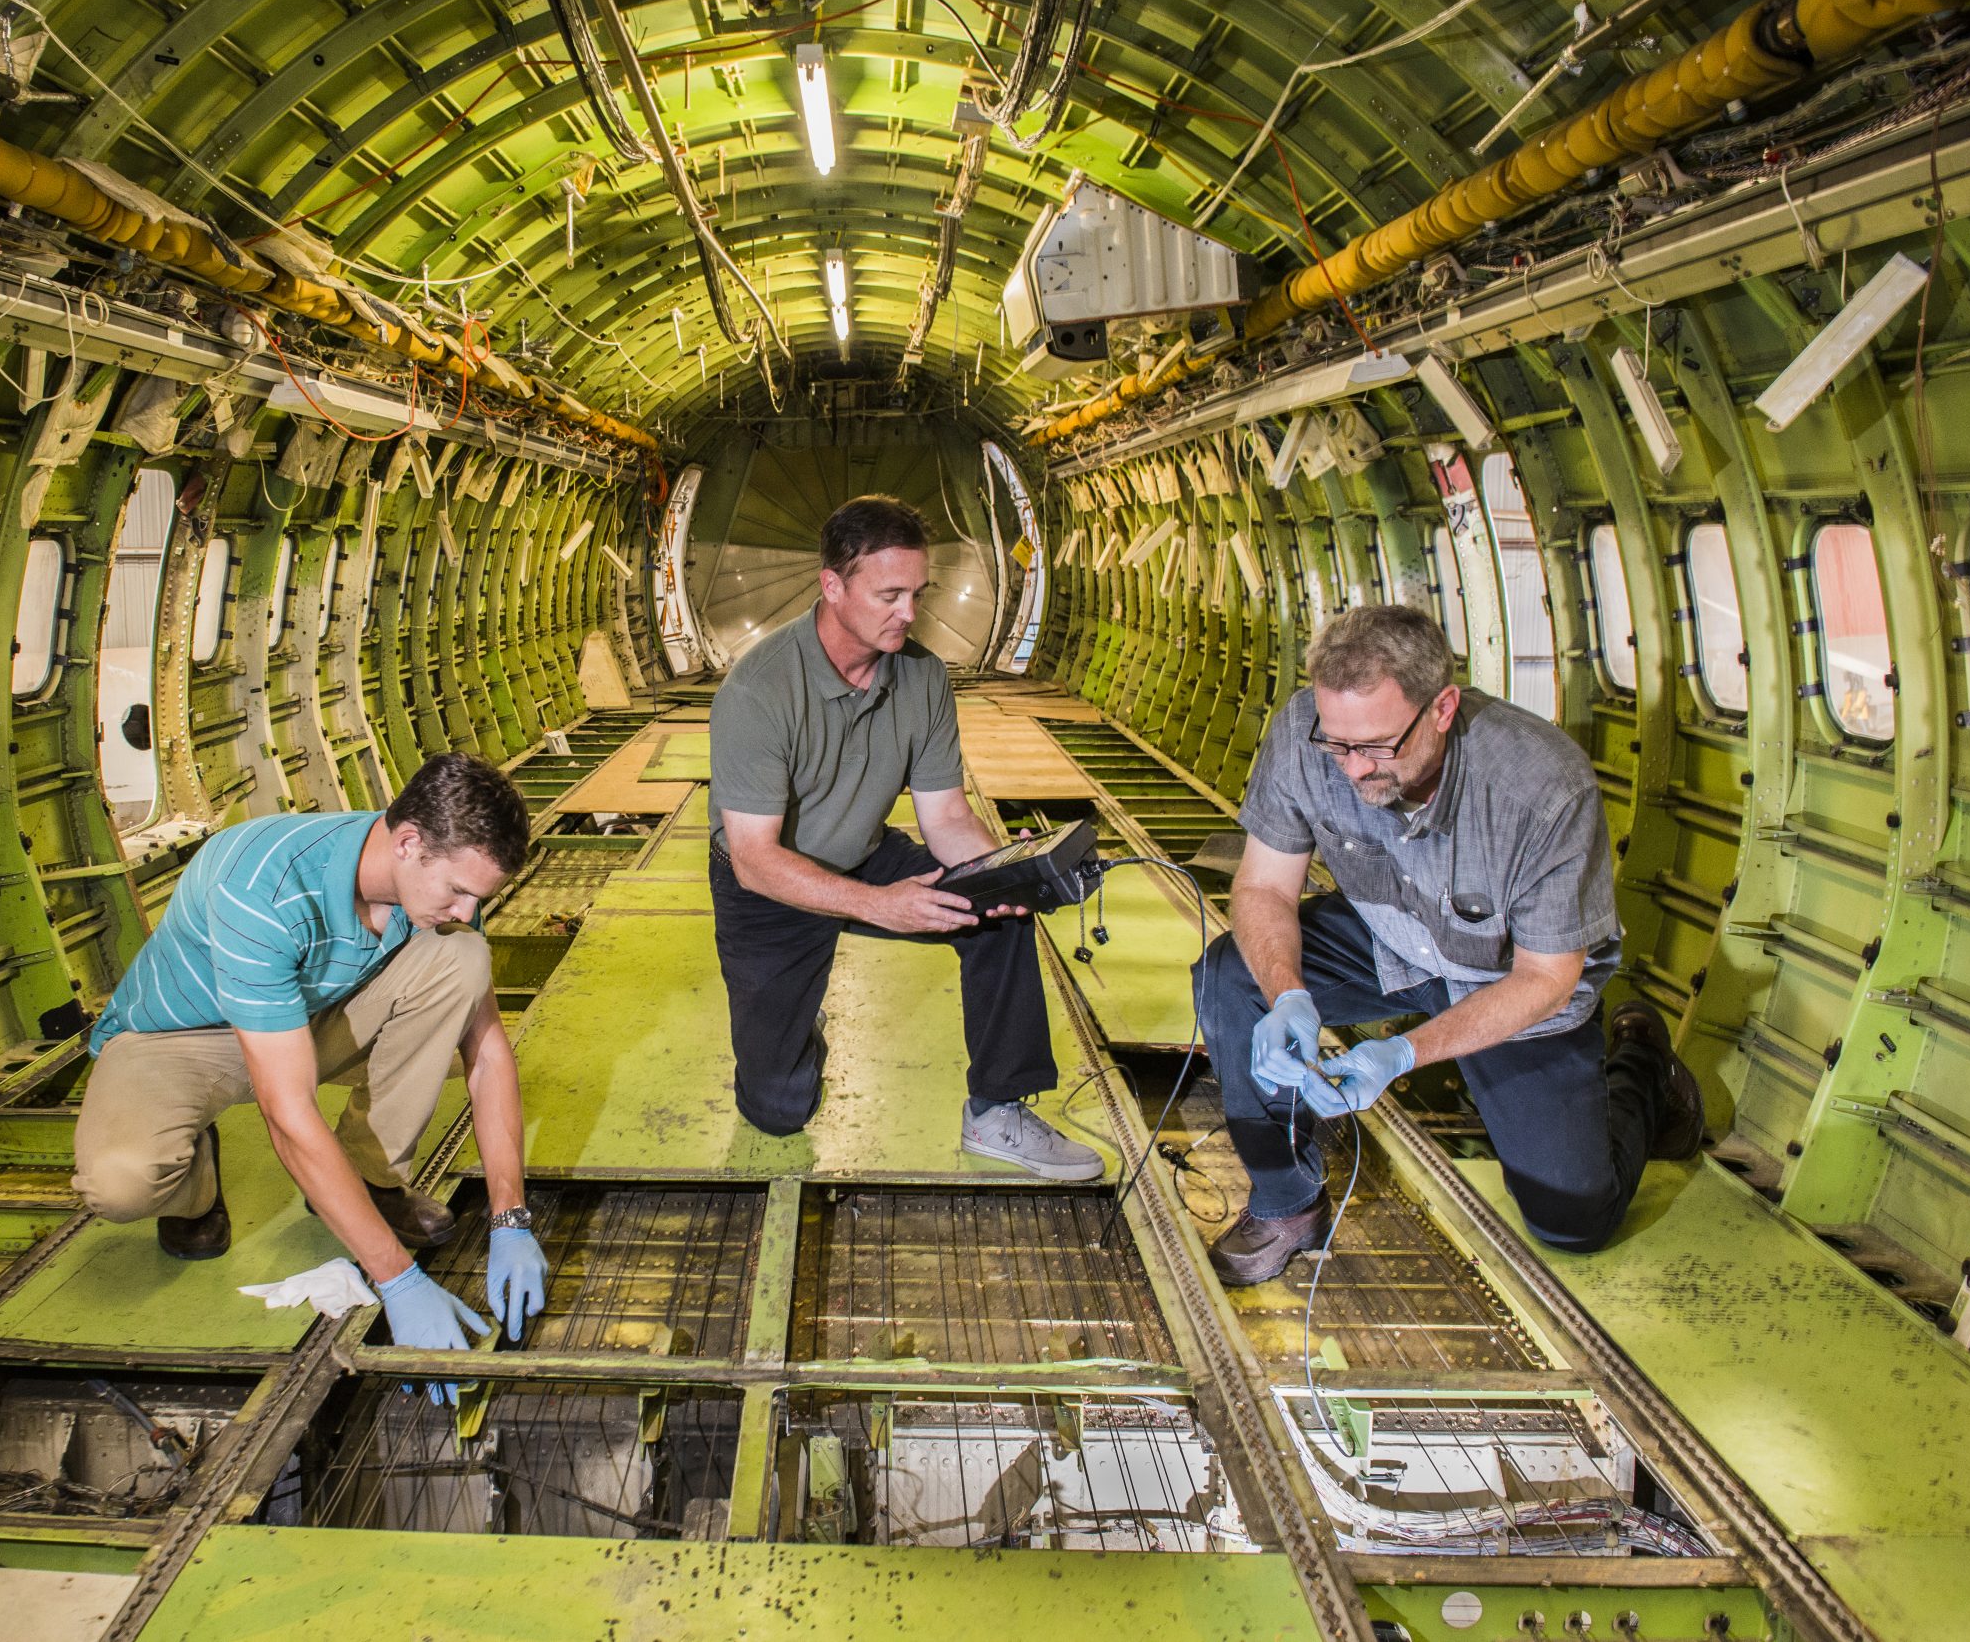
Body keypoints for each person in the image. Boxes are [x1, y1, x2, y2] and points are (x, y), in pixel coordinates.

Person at [1194, 604, 1702, 1285]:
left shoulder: (1541, 789)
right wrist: (1288, 993)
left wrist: (1404, 1052)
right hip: (1395, 938)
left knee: (1574, 1220)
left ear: (1442, 708)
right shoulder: (1304, 732)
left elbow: (1547, 978)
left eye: (1376, 746)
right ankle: (1287, 1203)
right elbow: (1262, 889)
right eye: (1336, 744)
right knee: (1232, 974)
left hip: (1509, 978)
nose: (1351, 767)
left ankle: (1644, 1063)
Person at [71, 752, 550, 1362]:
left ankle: (368, 1178)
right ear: (407, 842)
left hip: (306, 1016)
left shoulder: (436, 880)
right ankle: (195, 1186)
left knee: (461, 960)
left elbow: (487, 1058)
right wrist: (399, 1279)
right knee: (121, 1184)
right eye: (458, 891)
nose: (464, 910)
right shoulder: (259, 887)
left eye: (474, 895)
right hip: (182, 1038)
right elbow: (288, 1115)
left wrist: (511, 1220)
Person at [707, 494, 1101, 1179]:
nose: (909, 613)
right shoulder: (759, 690)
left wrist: (1007, 871)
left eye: (918, 593)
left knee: (997, 913)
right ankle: (797, 1038)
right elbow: (753, 858)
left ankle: (997, 1109)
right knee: (777, 1108)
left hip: (863, 851)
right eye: (890, 594)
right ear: (833, 585)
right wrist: (878, 904)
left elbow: (945, 816)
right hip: (770, 887)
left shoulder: (923, 676)